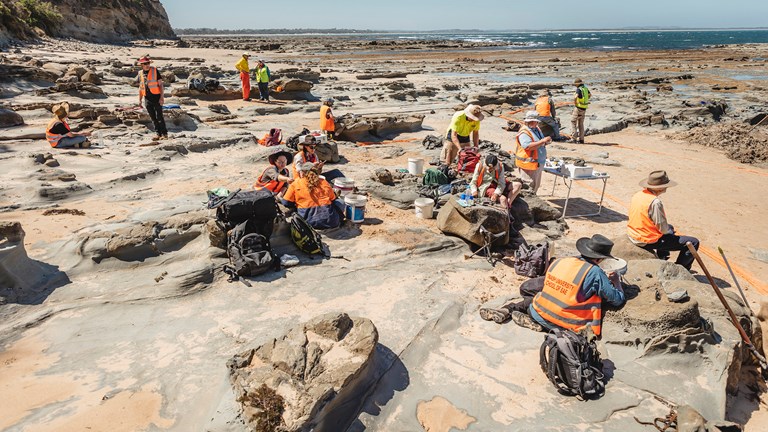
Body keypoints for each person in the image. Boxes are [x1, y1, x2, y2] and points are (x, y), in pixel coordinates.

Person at [480, 234, 625, 337]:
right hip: (566, 324)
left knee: (540, 297)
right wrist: (616, 281)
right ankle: (538, 324)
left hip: (537, 311)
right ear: (600, 259)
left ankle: (508, 309)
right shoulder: (595, 272)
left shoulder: (561, 261)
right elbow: (616, 299)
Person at [627, 170, 700, 271]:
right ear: (660, 187)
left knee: (670, 228)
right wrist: (670, 233)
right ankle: (681, 269)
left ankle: (662, 256)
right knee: (693, 242)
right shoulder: (655, 202)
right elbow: (663, 229)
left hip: (633, 232)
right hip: (645, 239)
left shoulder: (639, 194)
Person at [283, 162, 345, 229]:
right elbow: (333, 199)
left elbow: (286, 202)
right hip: (331, 222)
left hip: (308, 223)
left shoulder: (296, 183)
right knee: (340, 202)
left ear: (302, 172)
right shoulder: (323, 182)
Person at [514, 111, 551, 194]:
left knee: (535, 186)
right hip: (528, 165)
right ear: (531, 121)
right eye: (536, 121)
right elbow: (527, 146)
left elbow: (538, 141)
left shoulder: (536, 129)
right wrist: (542, 141)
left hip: (537, 164)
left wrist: (545, 142)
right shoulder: (524, 132)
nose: (537, 123)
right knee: (528, 188)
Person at [137, 56, 168, 140]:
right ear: (141, 65)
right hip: (147, 98)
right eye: (145, 64)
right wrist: (139, 100)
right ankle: (158, 134)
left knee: (159, 117)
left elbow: (161, 85)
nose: (147, 65)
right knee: (153, 117)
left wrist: (161, 97)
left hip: (156, 96)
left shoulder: (155, 71)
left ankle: (165, 134)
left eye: (148, 63)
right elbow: (141, 87)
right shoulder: (140, 73)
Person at [571, 78, 591, 144]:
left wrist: (575, 102)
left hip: (578, 108)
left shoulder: (579, 89)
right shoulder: (585, 88)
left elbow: (575, 97)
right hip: (584, 108)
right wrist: (585, 100)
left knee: (573, 122)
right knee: (581, 124)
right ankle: (581, 139)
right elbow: (590, 95)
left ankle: (574, 139)